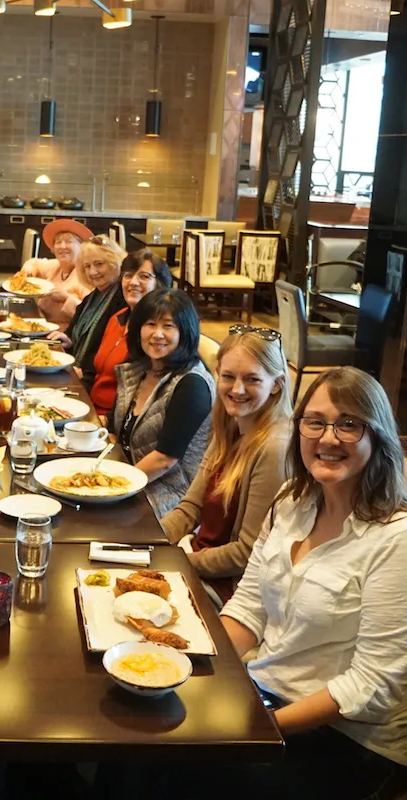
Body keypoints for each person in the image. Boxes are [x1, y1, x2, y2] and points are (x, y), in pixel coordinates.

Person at [212, 366, 407, 799]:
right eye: (314, 422)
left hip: (353, 742)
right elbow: (248, 610)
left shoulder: (401, 541)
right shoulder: (292, 503)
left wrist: (261, 727)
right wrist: (199, 671)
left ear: (379, 438)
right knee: (155, 745)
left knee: (190, 773)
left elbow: (370, 687)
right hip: (269, 697)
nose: (328, 438)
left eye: (349, 424)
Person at [160, 326, 292, 603]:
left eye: (252, 379)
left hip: (230, 589)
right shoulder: (231, 424)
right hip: (196, 562)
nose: (237, 389)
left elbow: (246, 553)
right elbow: (190, 507)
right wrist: (152, 542)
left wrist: (176, 560)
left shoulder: (274, 448)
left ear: (277, 384)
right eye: (229, 377)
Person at [110, 289, 214, 518]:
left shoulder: (192, 384)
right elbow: (114, 431)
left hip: (169, 498)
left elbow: (164, 459)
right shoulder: (139, 369)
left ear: (185, 332)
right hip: (133, 482)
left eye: (168, 326)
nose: (157, 334)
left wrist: (112, 489)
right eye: (150, 324)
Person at [89, 249, 173, 421]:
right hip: (90, 407)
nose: (133, 282)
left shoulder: (154, 336)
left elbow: (140, 396)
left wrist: (107, 422)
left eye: (144, 276)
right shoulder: (117, 319)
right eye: (128, 275)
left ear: (160, 284)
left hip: (113, 421)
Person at [48, 235, 127, 374]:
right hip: (76, 369)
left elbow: (109, 350)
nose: (92, 272)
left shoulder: (122, 299)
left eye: (99, 264)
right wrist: (67, 338)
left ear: (114, 263)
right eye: (87, 266)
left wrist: (85, 371)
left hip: (94, 377)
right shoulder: (93, 296)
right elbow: (74, 329)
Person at [18, 218, 93, 328]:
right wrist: (27, 271)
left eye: (68, 242)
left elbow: (89, 316)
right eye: (58, 242)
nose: (62, 246)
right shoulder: (57, 266)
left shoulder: (87, 274)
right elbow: (33, 263)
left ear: (82, 247)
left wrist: (66, 298)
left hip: (66, 335)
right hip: (41, 326)